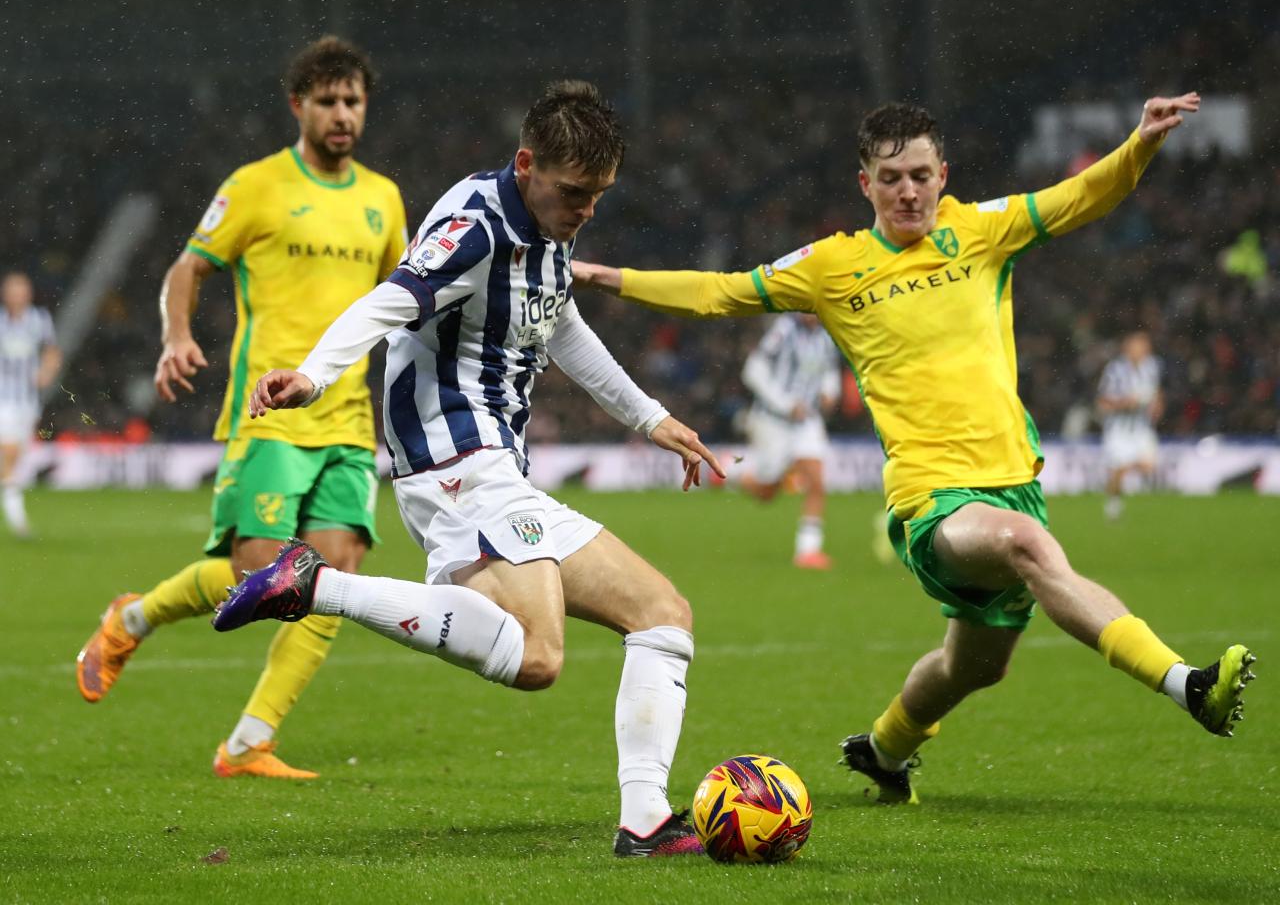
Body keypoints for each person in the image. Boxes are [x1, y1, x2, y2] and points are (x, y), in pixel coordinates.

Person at [571, 92, 1257, 804]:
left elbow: (1083, 195)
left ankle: (886, 748)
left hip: (1012, 483)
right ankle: (1189, 686)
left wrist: (1140, 142)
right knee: (1030, 548)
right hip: (931, 499)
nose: (909, 191)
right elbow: (718, 292)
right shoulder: (833, 266)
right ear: (865, 184)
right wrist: (603, 277)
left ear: (943, 176)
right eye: (891, 178)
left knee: (974, 667)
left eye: (921, 175)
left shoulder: (983, 230)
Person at [213, 81, 721, 857]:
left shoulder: (548, 223)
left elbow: (561, 323)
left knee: (663, 613)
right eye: (575, 193)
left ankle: (644, 819)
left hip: (495, 466)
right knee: (541, 655)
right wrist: (315, 374)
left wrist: (651, 419)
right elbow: (391, 302)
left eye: (598, 197)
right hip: (455, 460)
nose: (587, 210)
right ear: (527, 165)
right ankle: (317, 584)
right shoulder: (476, 226)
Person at [75, 36, 408, 779]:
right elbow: (188, 266)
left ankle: (250, 741)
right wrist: (176, 335)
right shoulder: (256, 186)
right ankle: (131, 619)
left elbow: (405, 300)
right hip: (271, 417)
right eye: (327, 100)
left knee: (334, 577)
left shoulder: (382, 199)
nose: (342, 114)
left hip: (349, 419)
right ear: (299, 105)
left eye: (353, 100)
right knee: (260, 573)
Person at [738, 313, 841, 569]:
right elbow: (753, 370)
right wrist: (784, 403)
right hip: (773, 420)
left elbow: (829, 369)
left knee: (816, 482)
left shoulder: (827, 332)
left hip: (807, 420)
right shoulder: (784, 329)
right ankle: (730, 474)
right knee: (766, 492)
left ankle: (808, 551)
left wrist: (829, 392)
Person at [0, 271, 61, 537]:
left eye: (21, 289)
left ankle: (13, 506)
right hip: (3, 397)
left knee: (16, 458)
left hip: (28, 400)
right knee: (9, 452)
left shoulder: (40, 320)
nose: (17, 294)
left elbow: (51, 351)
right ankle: (16, 515)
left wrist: (47, 371)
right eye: (12, 289)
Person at [1097, 331, 1162, 520]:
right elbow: (1102, 402)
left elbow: (1156, 392)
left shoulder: (1151, 366)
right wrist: (1125, 403)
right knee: (1118, 470)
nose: (1142, 351)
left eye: (1144, 347)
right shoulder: (1115, 370)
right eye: (1138, 346)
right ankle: (1113, 504)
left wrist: (1157, 405)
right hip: (1119, 428)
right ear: (1128, 348)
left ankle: (1121, 470)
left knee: (1148, 466)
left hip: (1142, 427)